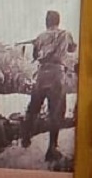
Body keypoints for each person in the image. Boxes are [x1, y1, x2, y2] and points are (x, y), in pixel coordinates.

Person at [22, 11, 77, 162]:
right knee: (56, 111)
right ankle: (52, 149)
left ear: (46, 22)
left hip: (42, 73)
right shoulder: (66, 34)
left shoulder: (40, 36)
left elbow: (35, 56)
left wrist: (39, 45)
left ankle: (25, 136)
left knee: (34, 106)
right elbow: (72, 49)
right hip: (57, 73)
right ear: (58, 21)